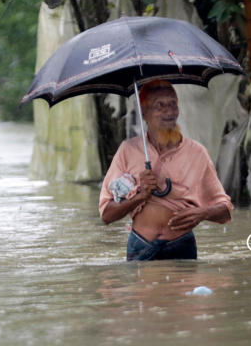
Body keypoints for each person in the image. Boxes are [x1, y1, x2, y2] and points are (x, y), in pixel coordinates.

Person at [99, 80, 233, 261]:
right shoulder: (128, 150)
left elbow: (225, 209)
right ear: (144, 113)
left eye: (173, 104)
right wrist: (140, 196)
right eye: (159, 105)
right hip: (141, 245)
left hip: (181, 244)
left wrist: (202, 213)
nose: (169, 111)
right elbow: (107, 215)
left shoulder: (196, 152)